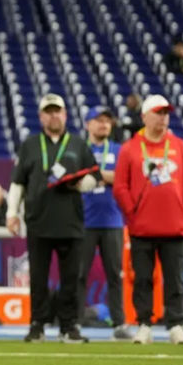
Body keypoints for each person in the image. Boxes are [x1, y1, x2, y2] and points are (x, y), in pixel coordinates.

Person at [6, 94, 99, 344]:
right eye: (48, 111)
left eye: (57, 111)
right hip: (38, 221)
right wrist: (11, 213)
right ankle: (37, 324)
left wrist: (79, 185)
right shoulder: (30, 144)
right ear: (41, 116)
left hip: (71, 222)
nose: (54, 115)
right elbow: (17, 182)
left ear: (65, 114)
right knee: (38, 277)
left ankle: (69, 326)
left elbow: (94, 176)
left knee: (71, 278)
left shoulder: (78, 143)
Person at [113, 95, 183, 345]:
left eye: (166, 113)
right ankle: (144, 324)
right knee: (143, 279)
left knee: (175, 279)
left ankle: (175, 325)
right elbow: (120, 186)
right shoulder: (130, 148)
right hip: (142, 228)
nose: (163, 117)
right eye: (158, 113)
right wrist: (133, 213)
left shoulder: (180, 146)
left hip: (175, 226)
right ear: (145, 116)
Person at [77, 107, 131, 340]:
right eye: (99, 120)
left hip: (112, 221)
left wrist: (96, 173)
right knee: (78, 275)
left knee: (114, 274)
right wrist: (107, 175)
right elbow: (72, 178)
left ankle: (119, 323)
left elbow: (124, 178)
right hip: (83, 221)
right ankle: (74, 323)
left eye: (108, 120)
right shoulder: (78, 149)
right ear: (87, 124)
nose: (104, 124)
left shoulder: (120, 150)